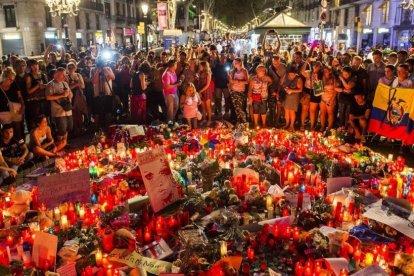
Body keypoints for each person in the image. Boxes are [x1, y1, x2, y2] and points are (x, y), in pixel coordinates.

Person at [45, 67, 73, 150]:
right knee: (61, 129)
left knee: (68, 127)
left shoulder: (65, 83)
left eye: (65, 75)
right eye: (63, 75)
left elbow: (71, 95)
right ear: (56, 75)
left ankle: (65, 143)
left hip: (67, 110)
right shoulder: (50, 84)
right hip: (58, 111)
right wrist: (61, 95)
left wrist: (68, 94)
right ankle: (60, 146)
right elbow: (48, 97)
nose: (65, 76)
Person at [25, 59, 49, 131]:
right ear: (29, 68)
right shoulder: (29, 77)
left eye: (36, 65)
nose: (35, 67)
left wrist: (44, 86)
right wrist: (37, 86)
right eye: (32, 66)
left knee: (45, 119)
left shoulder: (43, 75)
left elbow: (48, 86)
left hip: (44, 100)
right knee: (36, 121)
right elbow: (28, 91)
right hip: (34, 102)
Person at [91, 58, 116, 127]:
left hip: (108, 93)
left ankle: (109, 127)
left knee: (108, 111)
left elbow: (113, 78)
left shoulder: (108, 68)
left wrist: (106, 70)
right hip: (97, 94)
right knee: (97, 112)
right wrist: (97, 72)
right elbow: (94, 82)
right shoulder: (93, 70)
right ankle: (97, 128)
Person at [0, 67, 24, 134]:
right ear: (4, 77)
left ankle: (20, 143)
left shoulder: (14, 84)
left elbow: (20, 96)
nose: (12, 81)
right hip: (3, 113)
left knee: (18, 130)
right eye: (10, 79)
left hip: (16, 110)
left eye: (13, 80)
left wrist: (23, 105)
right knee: (8, 132)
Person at [300, 59, 323, 130]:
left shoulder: (321, 75)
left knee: (312, 110)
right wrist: (306, 62)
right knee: (304, 109)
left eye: (317, 65)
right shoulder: (309, 73)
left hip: (316, 92)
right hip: (307, 91)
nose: (315, 66)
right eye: (314, 65)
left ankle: (312, 126)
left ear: (320, 67)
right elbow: (301, 71)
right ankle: (302, 125)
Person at [66, 62, 87, 136]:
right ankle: (75, 129)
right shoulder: (66, 77)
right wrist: (77, 84)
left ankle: (81, 128)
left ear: (75, 68)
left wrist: (75, 85)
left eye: (72, 67)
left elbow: (83, 86)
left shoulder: (78, 75)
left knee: (80, 112)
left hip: (79, 95)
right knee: (74, 113)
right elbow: (68, 87)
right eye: (69, 68)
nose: (71, 69)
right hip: (72, 96)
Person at [228, 58, 249, 126]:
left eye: (236, 62)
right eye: (234, 63)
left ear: (240, 63)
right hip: (234, 91)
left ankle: (245, 122)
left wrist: (238, 81)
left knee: (240, 108)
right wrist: (230, 78)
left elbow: (247, 81)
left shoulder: (244, 70)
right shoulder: (234, 71)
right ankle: (239, 122)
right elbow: (231, 81)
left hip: (240, 91)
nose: (234, 64)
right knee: (236, 108)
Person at [267, 55, 287, 127]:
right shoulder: (269, 68)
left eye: (277, 63)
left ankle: (278, 120)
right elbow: (269, 79)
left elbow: (285, 78)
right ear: (272, 62)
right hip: (272, 89)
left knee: (280, 105)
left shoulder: (284, 67)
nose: (276, 65)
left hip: (281, 89)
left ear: (280, 61)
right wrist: (271, 90)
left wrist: (280, 90)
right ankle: (271, 121)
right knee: (271, 107)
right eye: (274, 63)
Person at [283, 66, 303, 131]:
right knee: (286, 111)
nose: (291, 75)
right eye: (290, 74)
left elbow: (300, 90)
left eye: (293, 74)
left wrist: (291, 90)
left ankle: (291, 126)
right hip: (287, 96)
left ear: (295, 73)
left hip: (294, 97)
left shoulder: (298, 79)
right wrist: (285, 88)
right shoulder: (286, 76)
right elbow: (282, 84)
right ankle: (287, 124)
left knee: (292, 111)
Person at [213, 53, 231, 119]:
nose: (223, 59)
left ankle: (226, 112)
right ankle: (220, 112)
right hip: (218, 84)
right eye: (222, 57)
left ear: (226, 58)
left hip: (226, 85)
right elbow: (214, 74)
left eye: (224, 57)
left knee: (227, 98)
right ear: (220, 58)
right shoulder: (217, 65)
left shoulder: (228, 65)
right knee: (218, 99)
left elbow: (230, 75)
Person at [320, 66, 338, 131]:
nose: (325, 72)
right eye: (324, 71)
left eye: (326, 71)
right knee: (322, 113)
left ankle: (329, 127)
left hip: (330, 99)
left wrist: (331, 100)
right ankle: (322, 126)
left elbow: (335, 91)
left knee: (330, 113)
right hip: (323, 99)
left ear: (330, 71)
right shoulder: (322, 78)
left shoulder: (333, 79)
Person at [197, 61, 213, 126]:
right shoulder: (200, 73)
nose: (199, 67)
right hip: (201, 91)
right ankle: (204, 119)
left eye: (200, 66)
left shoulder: (208, 73)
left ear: (204, 66)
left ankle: (209, 120)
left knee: (208, 107)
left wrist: (200, 91)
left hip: (206, 91)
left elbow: (207, 85)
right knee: (203, 107)